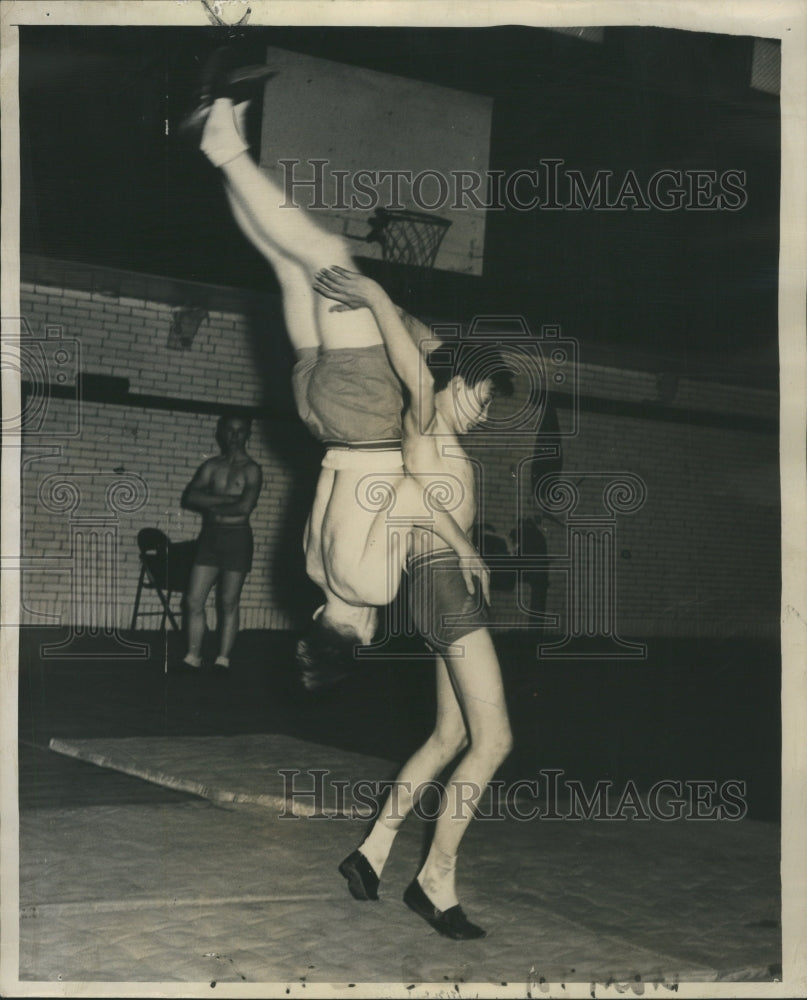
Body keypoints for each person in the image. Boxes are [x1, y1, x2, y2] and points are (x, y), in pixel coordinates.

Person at [197, 96, 487, 689]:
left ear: (366, 636)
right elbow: (328, 480)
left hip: (362, 425)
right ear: (315, 621)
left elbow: (412, 504)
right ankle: (228, 154)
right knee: (287, 263)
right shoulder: (314, 572)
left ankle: (224, 151)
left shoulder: (372, 587)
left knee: (327, 255)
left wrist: (462, 549)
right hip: (319, 417)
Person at [313, 267, 514, 940]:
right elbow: (413, 361)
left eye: (490, 405)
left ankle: (370, 853)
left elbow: (422, 341)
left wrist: (464, 549)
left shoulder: (447, 437)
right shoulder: (423, 416)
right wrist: (372, 295)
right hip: (439, 581)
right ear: (451, 384)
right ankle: (434, 881)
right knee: (495, 741)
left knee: (450, 736)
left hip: (442, 587)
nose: (483, 412)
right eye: (479, 398)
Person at [181, 413, 263, 671]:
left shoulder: (252, 470)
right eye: (230, 430)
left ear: (248, 435)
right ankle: (193, 657)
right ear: (221, 432)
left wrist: (214, 503)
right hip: (210, 538)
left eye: (241, 431)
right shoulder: (211, 466)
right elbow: (191, 497)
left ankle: (222, 660)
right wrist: (229, 502)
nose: (235, 436)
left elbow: (245, 508)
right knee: (193, 600)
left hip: (237, 538)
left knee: (228, 601)